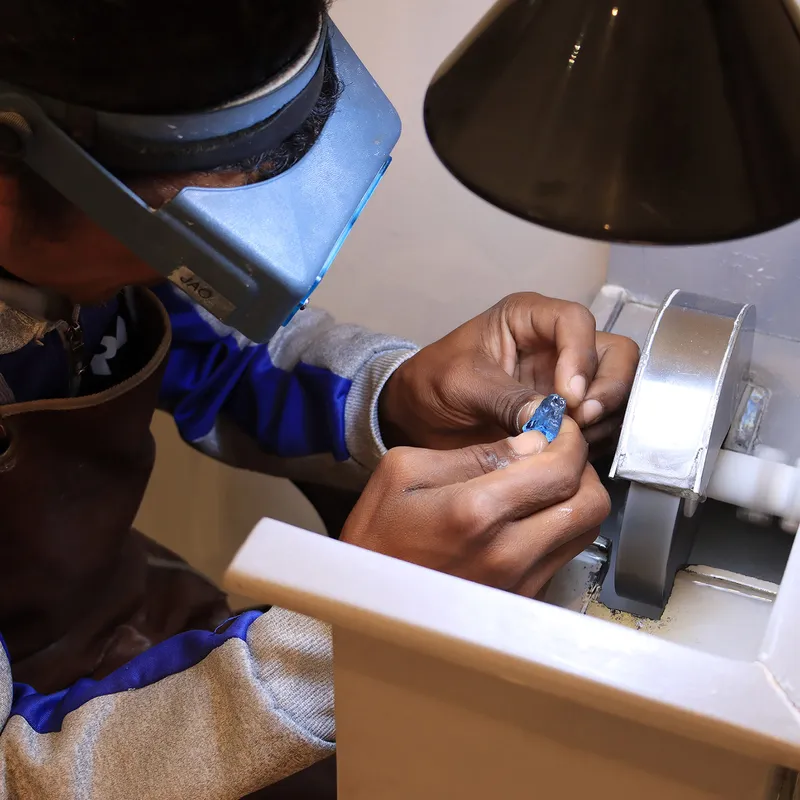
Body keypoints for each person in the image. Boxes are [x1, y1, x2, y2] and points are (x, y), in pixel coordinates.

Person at [0, 1, 639, 797]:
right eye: (179, 235)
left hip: (133, 620)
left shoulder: (98, 259)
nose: (184, 268)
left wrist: (399, 395)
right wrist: (341, 637)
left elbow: (226, 367)